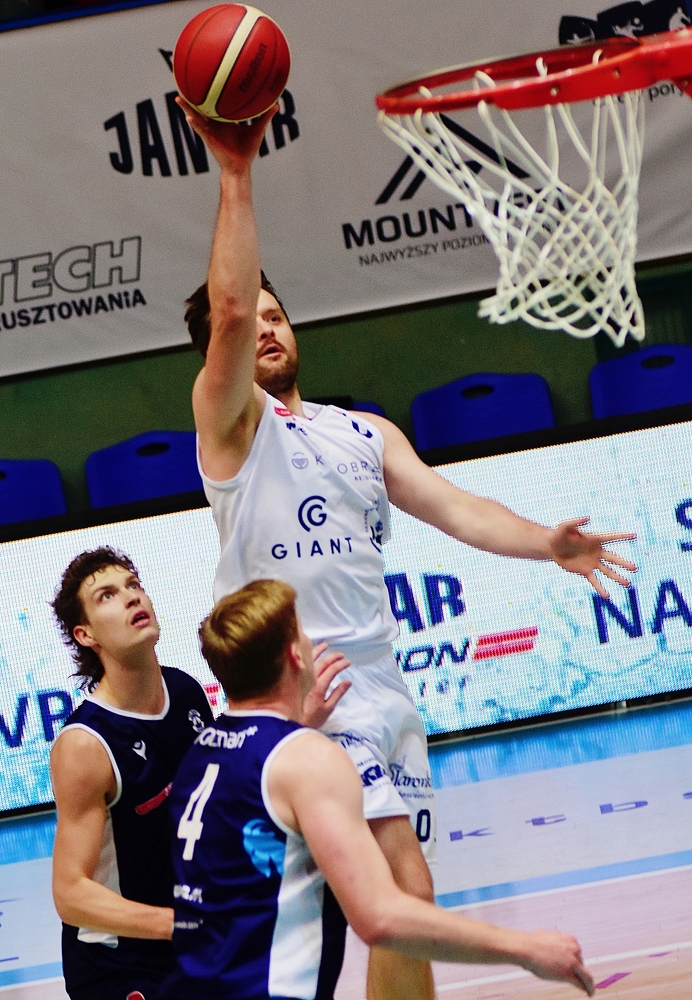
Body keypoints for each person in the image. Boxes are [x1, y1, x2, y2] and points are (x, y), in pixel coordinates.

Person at [177, 99, 635, 1000]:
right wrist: (235, 174)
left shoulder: (364, 431)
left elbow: (456, 509)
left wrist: (546, 543)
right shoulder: (228, 428)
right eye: (250, 321)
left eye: (277, 315)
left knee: (393, 909)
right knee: (401, 897)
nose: (264, 326)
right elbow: (225, 311)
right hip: (303, 687)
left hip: (381, 688)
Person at [160, 579, 594, 999]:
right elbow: (380, 917)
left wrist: (296, 724)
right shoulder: (308, 758)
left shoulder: (201, 752)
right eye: (303, 632)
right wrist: (525, 948)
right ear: (295, 655)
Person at [49, 546, 352, 1000]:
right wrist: (182, 922)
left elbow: (225, 792)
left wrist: (296, 724)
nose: (132, 597)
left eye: (133, 584)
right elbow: (70, 894)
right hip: (120, 964)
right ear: (85, 634)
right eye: (107, 595)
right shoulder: (84, 746)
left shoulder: (185, 691)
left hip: (193, 942)